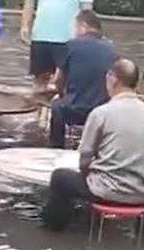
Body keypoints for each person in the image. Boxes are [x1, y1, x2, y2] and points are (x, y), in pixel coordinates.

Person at [42, 58, 144, 232]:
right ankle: (143, 237)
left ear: (113, 80)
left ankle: (53, 232)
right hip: (143, 194)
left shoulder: (101, 113)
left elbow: (84, 158)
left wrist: (90, 170)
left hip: (106, 192)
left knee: (60, 178)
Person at [48, 10, 116, 148]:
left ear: (83, 26)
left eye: (76, 27)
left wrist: (60, 94)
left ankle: (56, 147)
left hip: (74, 110)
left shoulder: (70, 45)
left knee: (57, 107)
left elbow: (59, 81)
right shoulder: (111, 49)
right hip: (101, 110)